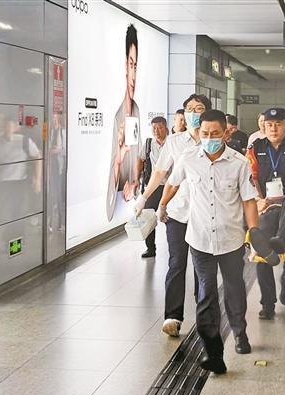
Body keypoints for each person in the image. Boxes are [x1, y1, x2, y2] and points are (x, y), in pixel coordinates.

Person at [160, 109, 260, 371]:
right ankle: (213, 351)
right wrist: (162, 205)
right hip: (200, 238)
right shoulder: (189, 158)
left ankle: (239, 331)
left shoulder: (239, 162)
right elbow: (172, 182)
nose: (209, 138)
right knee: (206, 292)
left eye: (215, 133)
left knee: (234, 287)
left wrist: (255, 231)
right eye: (204, 134)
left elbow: (249, 200)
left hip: (231, 239)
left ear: (226, 132)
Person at [135, 93, 211, 338]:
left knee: (204, 268)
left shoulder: (214, 141)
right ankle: (173, 316)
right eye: (190, 108)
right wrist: (144, 198)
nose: (195, 113)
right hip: (177, 212)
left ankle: (205, 316)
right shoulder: (175, 142)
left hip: (205, 214)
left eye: (200, 109)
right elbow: (159, 173)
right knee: (177, 263)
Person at [249, 108, 285, 319]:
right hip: (266, 206)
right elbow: (252, 177)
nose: (274, 128)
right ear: (263, 126)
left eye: (278, 124)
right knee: (263, 251)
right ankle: (267, 304)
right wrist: (258, 199)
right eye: (270, 124)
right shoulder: (257, 148)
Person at [106, 24, 143, 221]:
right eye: (131, 65)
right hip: (117, 199)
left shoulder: (134, 111)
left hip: (127, 197)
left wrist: (134, 181)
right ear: (124, 68)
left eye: (136, 66)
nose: (134, 75)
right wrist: (118, 160)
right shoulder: (116, 114)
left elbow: (134, 152)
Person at [136, 116, 168, 258]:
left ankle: (174, 246)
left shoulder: (172, 142)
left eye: (159, 127)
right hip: (153, 187)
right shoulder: (149, 143)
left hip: (170, 186)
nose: (156, 130)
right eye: (153, 127)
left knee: (171, 217)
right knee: (148, 215)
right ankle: (150, 248)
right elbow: (141, 159)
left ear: (166, 128)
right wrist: (137, 178)